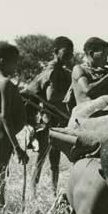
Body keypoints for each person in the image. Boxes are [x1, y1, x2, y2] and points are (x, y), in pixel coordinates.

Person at [24, 36, 74, 196]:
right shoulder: (51, 72)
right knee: (41, 157)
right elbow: (51, 97)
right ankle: (33, 193)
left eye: (71, 53)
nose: (69, 56)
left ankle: (53, 192)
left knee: (55, 160)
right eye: (65, 53)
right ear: (55, 52)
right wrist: (69, 96)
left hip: (59, 121)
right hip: (47, 121)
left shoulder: (64, 72)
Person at [0, 42, 28, 208]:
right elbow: (5, 117)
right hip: (0, 134)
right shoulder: (5, 83)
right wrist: (17, 147)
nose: (16, 66)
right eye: (14, 61)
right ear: (2, 61)